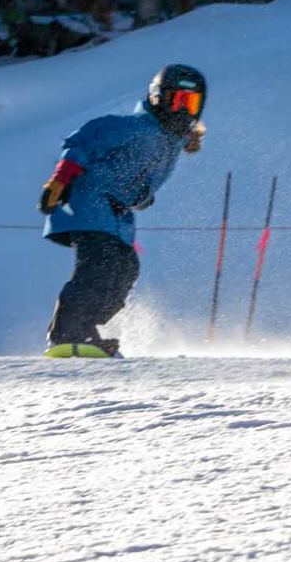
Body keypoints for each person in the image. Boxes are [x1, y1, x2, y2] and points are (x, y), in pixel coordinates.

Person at [36, 64, 208, 358]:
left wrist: (142, 196)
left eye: (189, 103)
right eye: (176, 100)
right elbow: (84, 140)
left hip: (116, 217)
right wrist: (60, 179)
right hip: (91, 201)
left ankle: (85, 329)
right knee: (100, 267)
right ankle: (67, 333)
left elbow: (140, 177)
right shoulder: (136, 127)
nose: (182, 110)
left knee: (124, 269)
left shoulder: (172, 142)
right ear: (157, 99)